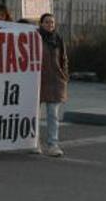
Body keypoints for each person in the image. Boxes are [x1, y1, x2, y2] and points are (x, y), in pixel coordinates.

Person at [38, 13, 68, 157]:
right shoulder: (35, 38)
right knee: (34, 114)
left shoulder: (58, 39)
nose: (50, 25)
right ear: (41, 24)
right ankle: (34, 142)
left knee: (53, 114)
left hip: (55, 80)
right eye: (47, 22)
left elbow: (64, 58)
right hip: (38, 80)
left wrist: (64, 74)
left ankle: (52, 143)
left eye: (52, 22)